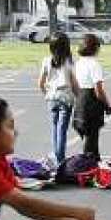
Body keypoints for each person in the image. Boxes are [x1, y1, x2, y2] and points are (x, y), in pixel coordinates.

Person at [38, 33, 80, 165]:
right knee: (62, 130)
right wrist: (79, 98)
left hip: (52, 97)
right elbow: (74, 84)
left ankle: (57, 156)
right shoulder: (69, 62)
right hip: (65, 97)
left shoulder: (46, 61)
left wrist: (46, 93)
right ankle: (60, 159)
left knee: (55, 128)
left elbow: (40, 82)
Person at [74, 34, 111, 157]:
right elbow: (98, 90)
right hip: (91, 100)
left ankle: (93, 164)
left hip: (80, 98)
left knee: (89, 137)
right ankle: (88, 165)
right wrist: (107, 106)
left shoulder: (78, 63)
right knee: (92, 138)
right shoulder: (94, 64)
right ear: (95, 48)